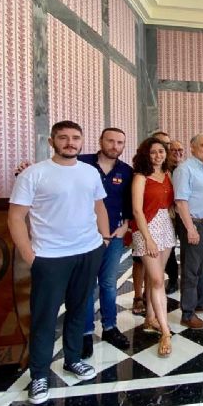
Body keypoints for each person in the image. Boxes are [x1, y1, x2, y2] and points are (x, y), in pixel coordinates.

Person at [9, 121, 110, 404]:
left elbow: (99, 206)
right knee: (44, 316)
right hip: (50, 257)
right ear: (52, 141)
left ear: (81, 141)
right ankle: (39, 375)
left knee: (80, 310)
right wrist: (31, 256)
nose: (70, 142)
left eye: (75, 138)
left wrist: (103, 240)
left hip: (88, 251)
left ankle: (73, 359)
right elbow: (16, 217)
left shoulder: (90, 172)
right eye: (63, 138)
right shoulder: (34, 174)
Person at [81, 128, 133, 358]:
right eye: (110, 141)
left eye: (119, 142)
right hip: (84, 237)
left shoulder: (126, 172)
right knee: (86, 285)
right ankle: (85, 332)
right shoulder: (81, 164)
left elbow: (130, 205)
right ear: (100, 140)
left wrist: (124, 228)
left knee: (109, 284)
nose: (114, 145)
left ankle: (110, 327)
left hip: (113, 236)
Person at [130, 137, 176, 357]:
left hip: (165, 227)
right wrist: (147, 239)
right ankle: (166, 332)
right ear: (146, 155)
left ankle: (151, 318)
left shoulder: (167, 174)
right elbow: (137, 210)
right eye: (153, 152)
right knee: (158, 280)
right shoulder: (140, 177)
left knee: (153, 277)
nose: (158, 156)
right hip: (146, 229)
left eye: (161, 151)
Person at [173, 134, 203, 330]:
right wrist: (190, 228)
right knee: (191, 270)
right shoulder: (184, 169)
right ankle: (187, 313)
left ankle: (200, 301)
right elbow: (181, 201)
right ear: (192, 148)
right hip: (194, 224)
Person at [165, 139, 185, 294]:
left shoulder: (186, 169)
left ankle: (189, 279)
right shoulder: (162, 170)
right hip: (167, 214)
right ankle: (172, 279)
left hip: (184, 214)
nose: (177, 153)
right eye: (174, 150)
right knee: (168, 249)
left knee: (188, 249)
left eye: (180, 150)